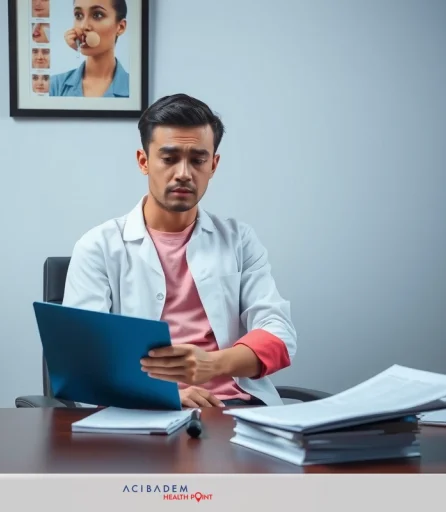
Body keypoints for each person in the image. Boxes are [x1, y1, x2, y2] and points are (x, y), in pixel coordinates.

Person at [62, 94, 297, 408]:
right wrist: (163, 396)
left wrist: (214, 364)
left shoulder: (239, 240)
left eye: (198, 160)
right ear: (144, 161)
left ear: (213, 165)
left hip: (236, 410)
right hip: (140, 412)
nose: (184, 173)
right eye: (169, 158)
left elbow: (279, 333)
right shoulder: (98, 246)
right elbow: (85, 359)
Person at [50, 0, 129, 98]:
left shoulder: (135, 88)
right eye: (78, 15)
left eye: (97, 15)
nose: (83, 26)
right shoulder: (54, 86)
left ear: (120, 27)